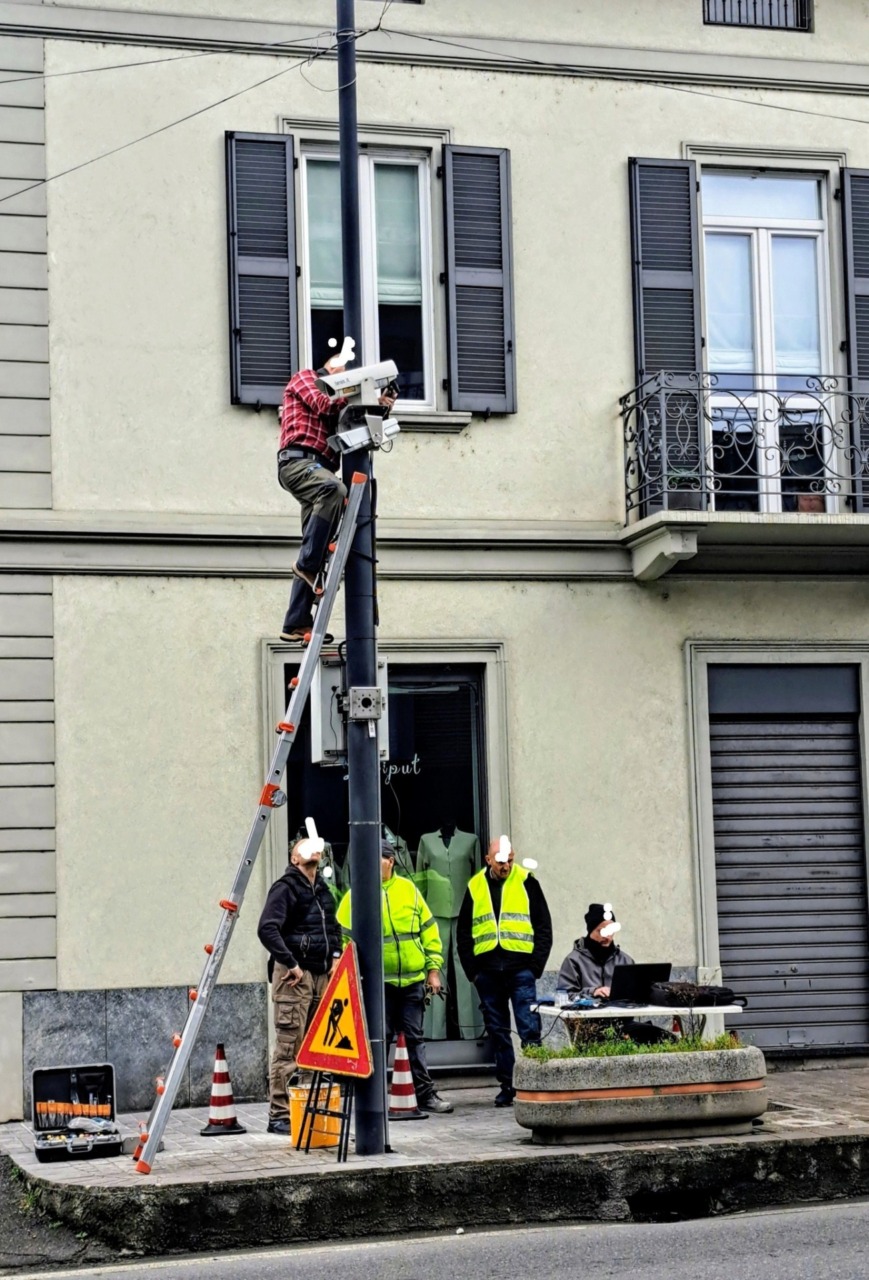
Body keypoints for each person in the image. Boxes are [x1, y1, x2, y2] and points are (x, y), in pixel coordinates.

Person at [277, 354, 395, 644]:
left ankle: (296, 622)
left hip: (319, 472)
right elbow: (323, 403)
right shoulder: (306, 378)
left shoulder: (339, 405)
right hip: (300, 464)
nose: (348, 381)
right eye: (344, 375)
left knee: (315, 539)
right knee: (336, 491)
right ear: (330, 368)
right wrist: (355, 391)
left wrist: (379, 408)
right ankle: (306, 566)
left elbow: (355, 430)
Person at [336, 841, 454, 1115]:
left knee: (414, 1038)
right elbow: (341, 938)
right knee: (380, 1039)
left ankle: (424, 1094)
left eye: (376, 859)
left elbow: (429, 932)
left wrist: (433, 970)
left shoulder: (409, 891)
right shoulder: (357, 895)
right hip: (378, 985)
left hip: (412, 981)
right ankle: (374, 1096)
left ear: (390, 861)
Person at [457, 837, 553, 1108]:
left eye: (509, 860)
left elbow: (543, 926)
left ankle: (536, 1083)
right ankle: (507, 1085)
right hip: (488, 973)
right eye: (500, 862)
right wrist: (473, 972)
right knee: (498, 1033)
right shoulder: (475, 886)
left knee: (529, 1029)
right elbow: (463, 933)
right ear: (489, 860)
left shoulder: (526, 881)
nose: (506, 866)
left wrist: (535, 967)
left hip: (521, 969)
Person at [257, 833, 342, 1135]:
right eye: (303, 849)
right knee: (289, 1048)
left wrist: (334, 955)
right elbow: (267, 928)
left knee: (312, 1047)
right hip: (295, 978)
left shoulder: (322, 890)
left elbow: (334, 927)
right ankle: (279, 1114)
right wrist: (291, 963)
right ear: (294, 859)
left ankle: (302, 1107)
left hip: (319, 976)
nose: (311, 852)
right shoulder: (286, 887)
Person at [557, 902, 634, 999]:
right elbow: (564, 995)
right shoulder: (573, 961)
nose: (607, 936)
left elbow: (635, 994)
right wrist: (593, 992)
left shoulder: (625, 961)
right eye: (601, 931)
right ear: (590, 930)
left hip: (618, 1013)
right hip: (586, 1013)